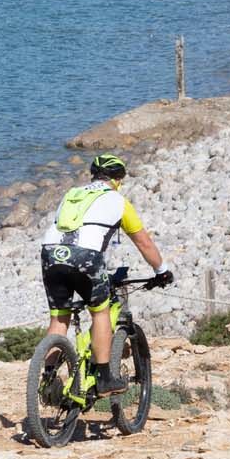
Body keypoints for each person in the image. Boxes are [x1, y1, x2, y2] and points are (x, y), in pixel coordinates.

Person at [39, 153, 172, 394]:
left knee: (59, 318)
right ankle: (104, 379)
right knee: (99, 312)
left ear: (94, 176)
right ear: (118, 179)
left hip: (51, 253)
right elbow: (144, 243)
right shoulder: (119, 201)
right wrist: (161, 271)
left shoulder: (72, 194)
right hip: (86, 256)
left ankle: (47, 380)